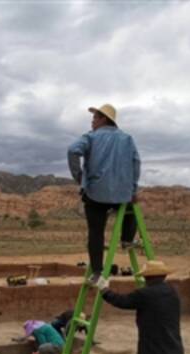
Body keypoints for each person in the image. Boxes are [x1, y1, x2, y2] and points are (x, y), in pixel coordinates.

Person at [68, 103, 141, 287]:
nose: (92, 121)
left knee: (96, 233)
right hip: (121, 195)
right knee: (131, 208)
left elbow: (72, 150)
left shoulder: (91, 137)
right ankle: (126, 240)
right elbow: (136, 163)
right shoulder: (127, 139)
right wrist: (132, 189)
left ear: (103, 119)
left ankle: (97, 272)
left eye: (94, 118)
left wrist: (79, 177)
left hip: (95, 194)